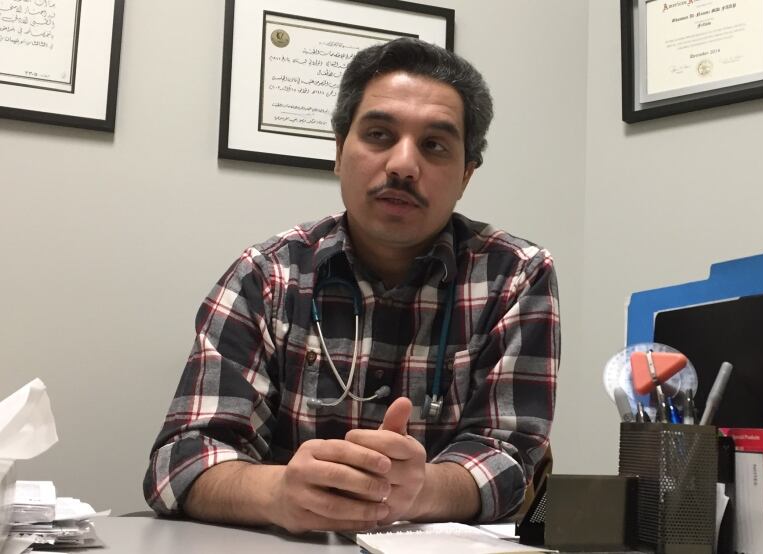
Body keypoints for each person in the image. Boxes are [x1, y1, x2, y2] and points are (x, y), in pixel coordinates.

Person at [143, 37, 559, 534]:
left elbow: (514, 461)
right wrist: (277, 493)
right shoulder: (266, 275)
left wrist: (421, 488)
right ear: (339, 151)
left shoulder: (516, 275)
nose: (404, 165)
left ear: (467, 174)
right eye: (380, 135)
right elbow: (180, 461)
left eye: (434, 145)